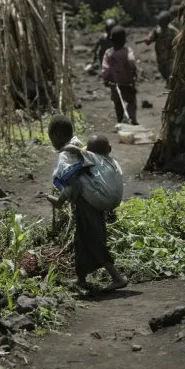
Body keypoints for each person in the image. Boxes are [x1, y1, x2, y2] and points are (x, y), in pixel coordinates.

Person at [48, 115, 127, 293]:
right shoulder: (81, 147)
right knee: (81, 239)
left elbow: (75, 183)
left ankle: (117, 277)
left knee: (93, 238)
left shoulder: (67, 153)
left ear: (56, 135)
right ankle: (81, 278)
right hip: (93, 200)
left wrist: (62, 200)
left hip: (88, 203)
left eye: (50, 135)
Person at [102, 25, 138, 125]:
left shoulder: (109, 53)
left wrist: (106, 79)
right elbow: (132, 62)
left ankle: (120, 121)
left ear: (111, 40)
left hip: (115, 84)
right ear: (124, 40)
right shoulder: (128, 51)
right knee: (131, 102)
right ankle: (132, 119)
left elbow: (105, 68)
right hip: (128, 83)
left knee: (118, 104)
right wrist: (134, 73)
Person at [145, 8, 178, 84]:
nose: (160, 23)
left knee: (171, 75)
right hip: (160, 59)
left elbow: (179, 41)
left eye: (162, 22)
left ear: (167, 22)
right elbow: (149, 39)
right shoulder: (157, 30)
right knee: (164, 74)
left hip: (170, 58)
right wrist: (148, 39)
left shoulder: (173, 31)